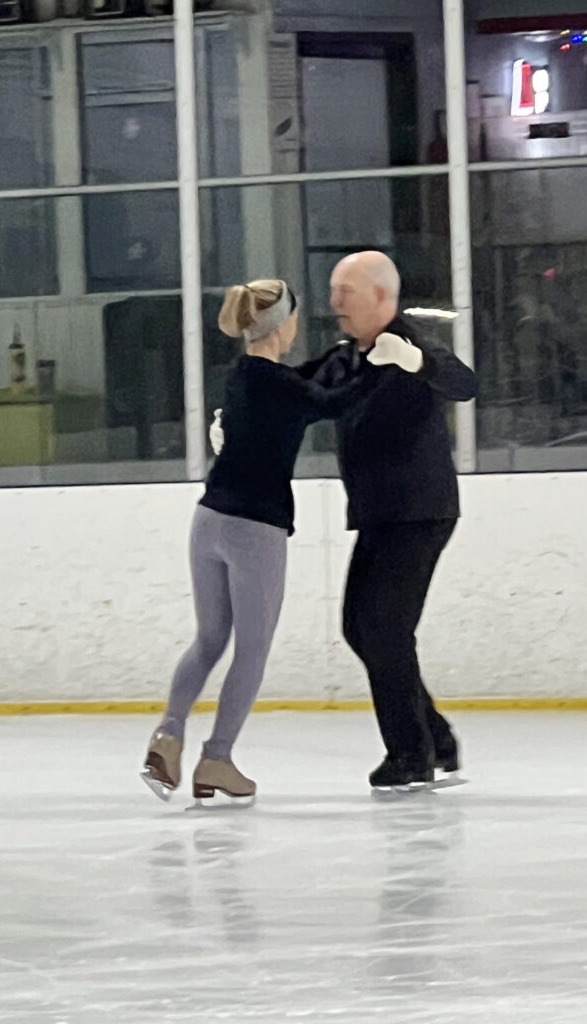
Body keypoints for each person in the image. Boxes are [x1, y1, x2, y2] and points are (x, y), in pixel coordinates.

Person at [213, 253, 477, 790]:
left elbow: (464, 382)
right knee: (362, 627)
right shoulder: (341, 359)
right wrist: (235, 424)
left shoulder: (409, 345)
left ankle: (411, 754)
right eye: (333, 290)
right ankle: (434, 737)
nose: (333, 302)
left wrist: (416, 363)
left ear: (381, 296)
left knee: (382, 629)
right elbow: (283, 390)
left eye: (345, 291)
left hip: (419, 512)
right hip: (379, 515)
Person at [143, 277, 405, 804]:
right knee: (252, 650)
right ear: (281, 324)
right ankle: (216, 759)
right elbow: (337, 403)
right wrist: (386, 362)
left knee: (210, 639)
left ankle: (168, 733)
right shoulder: (281, 385)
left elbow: (302, 399)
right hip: (254, 529)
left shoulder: (238, 375)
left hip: (209, 520)